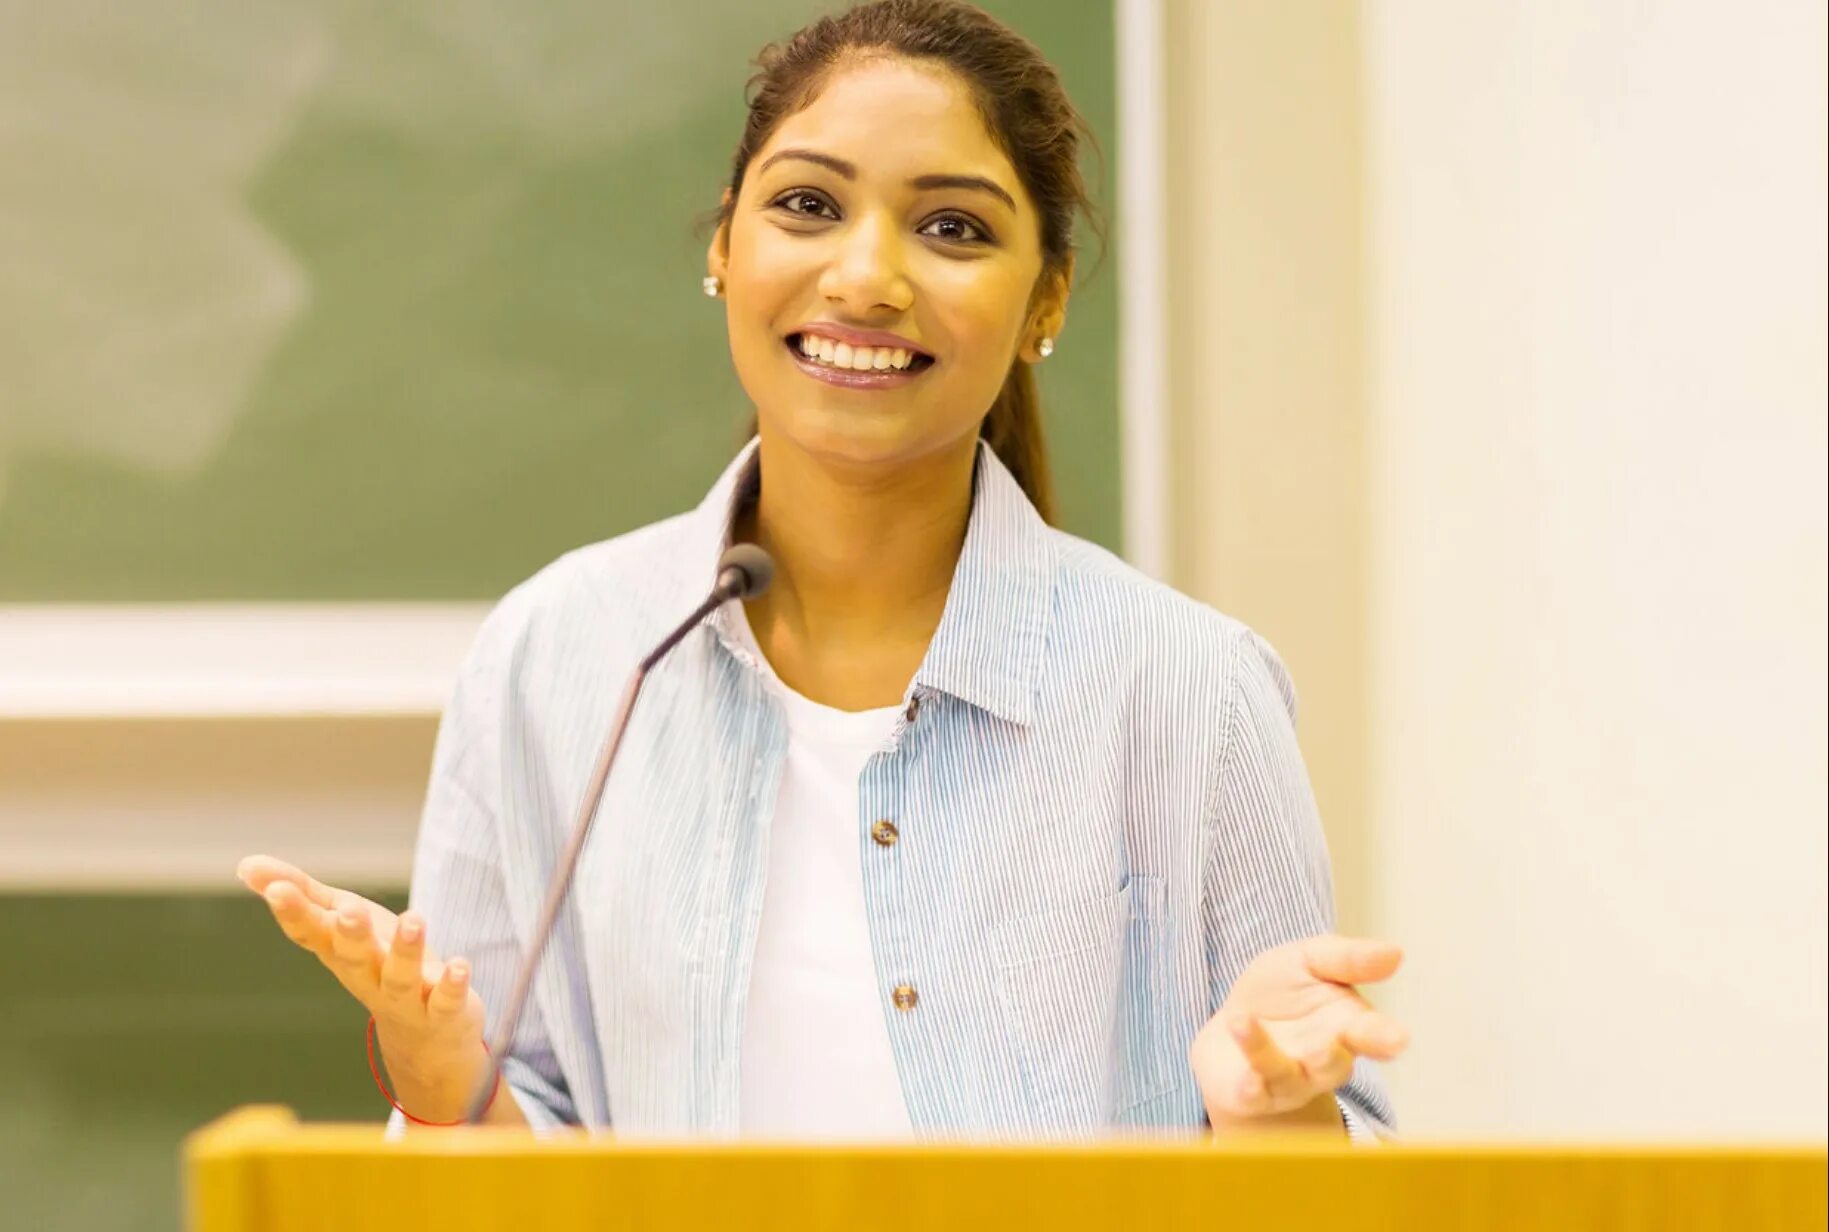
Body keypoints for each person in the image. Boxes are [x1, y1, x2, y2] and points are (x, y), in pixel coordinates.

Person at [238, 0, 1408, 1141]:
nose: (865, 277)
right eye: (806, 204)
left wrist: (1279, 1112)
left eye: (951, 227)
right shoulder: (563, 653)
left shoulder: (1186, 687)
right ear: (723, 246)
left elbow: (1328, 1215)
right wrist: (448, 1084)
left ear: (1044, 296)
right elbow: (504, 1195)